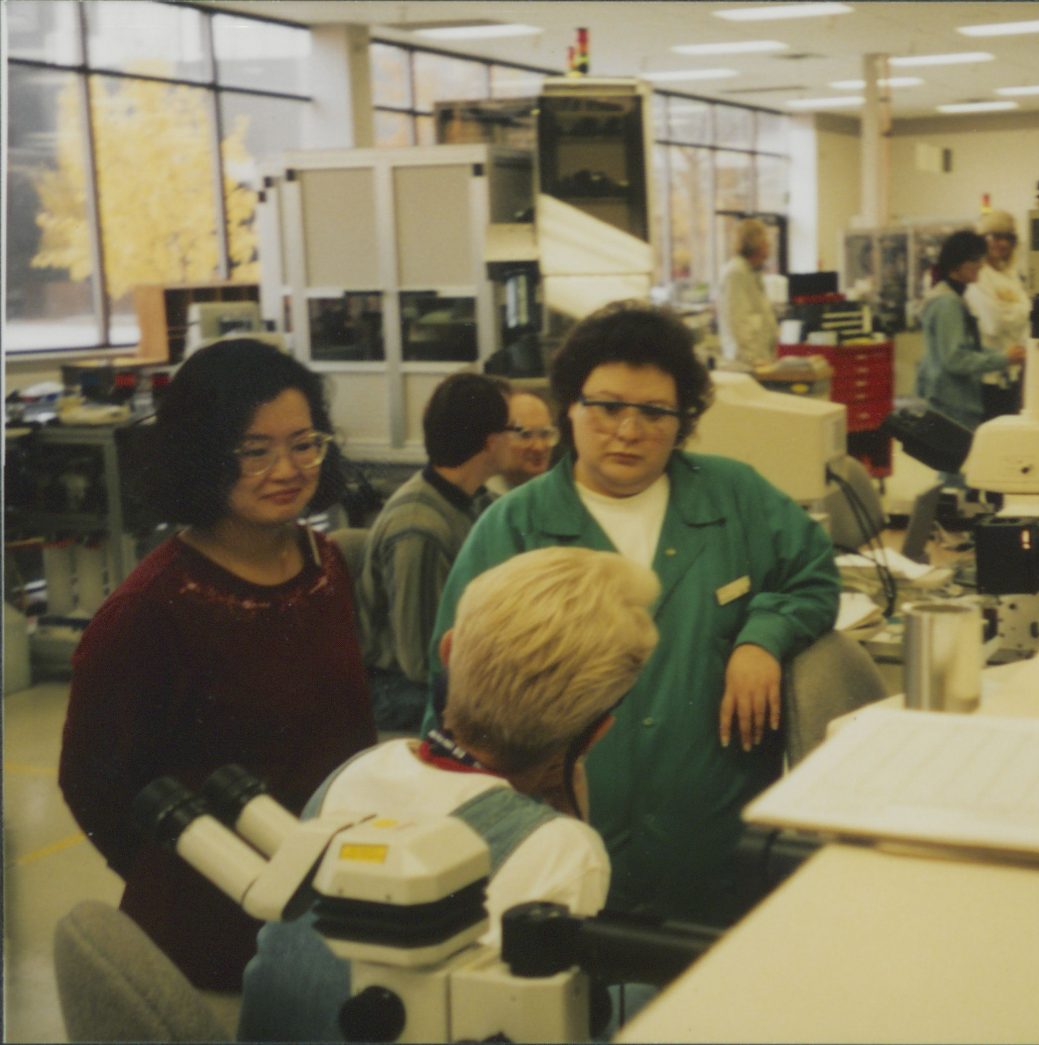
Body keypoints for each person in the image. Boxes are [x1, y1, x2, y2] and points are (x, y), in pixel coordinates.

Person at [421, 301, 840, 927]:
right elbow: (451, 696)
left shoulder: (735, 497)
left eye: (654, 412)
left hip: (715, 849)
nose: (627, 430)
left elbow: (812, 576)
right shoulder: (514, 528)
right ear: (570, 407)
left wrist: (762, 637)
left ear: (683, 420)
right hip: (556, 850)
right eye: (607, 406)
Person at [239, 547, 659, 1041]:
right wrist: (572, 822)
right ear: (597, 733)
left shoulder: (358, 770)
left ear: (449, 650)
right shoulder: (560, 848)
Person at [58, 338, 376, 991]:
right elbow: (92, 784)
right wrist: (188, 872)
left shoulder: (325, 562)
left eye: (304, 442)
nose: (287, 468)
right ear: (200, 458)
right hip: (211, 941)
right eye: (255, 451)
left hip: (330, 905)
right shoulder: (150, 609)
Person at [357, 372, 510, 732]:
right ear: (491, 442)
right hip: (398, 690)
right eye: (512, 430)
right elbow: (420, 662)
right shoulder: (420, 529)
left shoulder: (476, 501)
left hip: (438, 671)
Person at [916, 229, 1013, 432]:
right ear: (957, 263)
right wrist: (1002, 359)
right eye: (975, 259)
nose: (981, 264)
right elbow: (955, 359)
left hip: (952, 399)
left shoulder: (953, 297)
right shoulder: (947, 303)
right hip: (952, 404)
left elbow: (967, 347)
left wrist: (1006, 354)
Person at [964, 209, 1032, 417]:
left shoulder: (1011, 275)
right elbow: (993, 323)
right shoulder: (979, 275)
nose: (1001, 243)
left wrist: (1012, 312)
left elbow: (1027, 316)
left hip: (1011, 373)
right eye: (995, 236)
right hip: (986, 377)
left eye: (1008, 238)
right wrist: (1022, 311)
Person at [717, 218, 779, 368]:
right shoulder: (736, 273)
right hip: (747, 363)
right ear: (755, 242)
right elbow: (739, 322)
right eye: (766, 241)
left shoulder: (752, 272)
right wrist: (755, 360)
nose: (769, 246)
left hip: (761, 359)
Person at [486, 387, 559, 498]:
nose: (539, 447)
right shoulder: (481, 506)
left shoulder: (561, 498)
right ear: (495, 441)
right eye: (526, 435)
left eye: (545, 434)